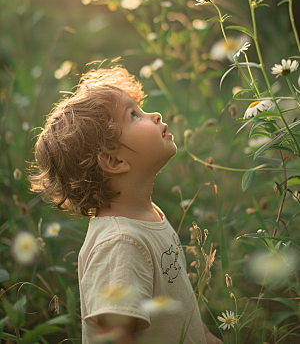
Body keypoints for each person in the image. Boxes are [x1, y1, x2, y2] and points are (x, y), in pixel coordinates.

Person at [30, 63, 222, 344]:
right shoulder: (121, 243)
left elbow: (180, 303)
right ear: (114, 161)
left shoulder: (147, 215)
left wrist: (204, 335)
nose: (154, 115)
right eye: (134, 115)